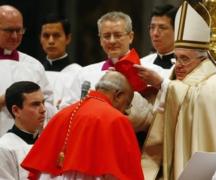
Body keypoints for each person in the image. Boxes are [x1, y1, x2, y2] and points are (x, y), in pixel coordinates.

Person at [137, 2, 216, 179]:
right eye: (176, 58)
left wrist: (163, 85)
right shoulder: (176, 79)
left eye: (184, 59)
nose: (178, 65)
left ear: (202, 59)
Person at [21, 71, 144, 180]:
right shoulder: (116, 119)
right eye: (127, 104)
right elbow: (127, 173)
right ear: (118, 95)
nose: (125, 111)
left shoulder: (63, 113)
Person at [60, 11, 154, 139]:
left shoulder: (150, 71)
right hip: (93, 139)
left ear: (131, 37)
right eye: (106, 36)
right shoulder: (85, 73)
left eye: (117, 35)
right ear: (100, 40)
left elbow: (156, 119)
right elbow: (66, 109)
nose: (112, 41)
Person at [0, 5, 55, 136]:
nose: (14, 36)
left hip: (27, 144)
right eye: (9, 30)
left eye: (19, 30)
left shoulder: (33, 65)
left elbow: (48, 105)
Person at [0, 81, 46, 180]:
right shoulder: (4, 148)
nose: (43, 109)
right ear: (16, 110)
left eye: (43, 102)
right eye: (35, 104)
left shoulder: (49, 142)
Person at [141, 4, 177, 71]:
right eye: (152, 27)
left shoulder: (183, 66)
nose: (155, 33)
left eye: (162, 28)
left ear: (176, 30)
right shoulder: (142, 63)